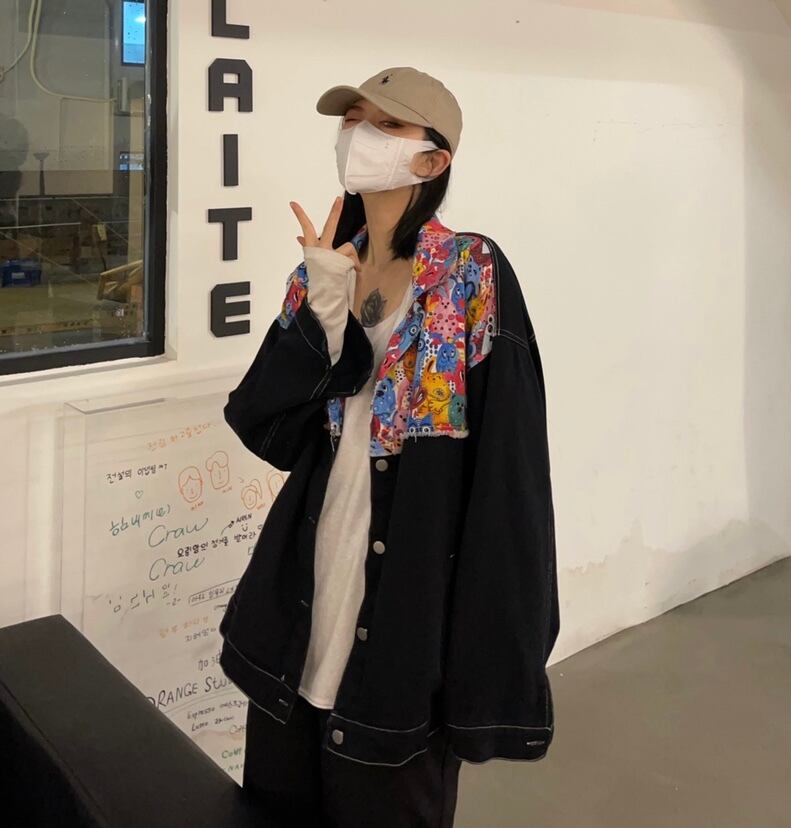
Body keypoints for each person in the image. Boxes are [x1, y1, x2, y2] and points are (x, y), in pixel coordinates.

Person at [219, 66, 560, 828]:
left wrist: (493, 664)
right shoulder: (323, 269)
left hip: (404, 631)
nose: (358, 136)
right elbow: (267, 428)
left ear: (432, 160)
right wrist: (321, 310)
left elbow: (510, 480)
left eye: (385, 124)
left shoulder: (470, 275)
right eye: (352, 120)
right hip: (300, 610)